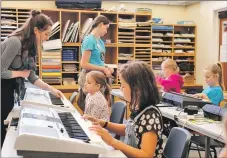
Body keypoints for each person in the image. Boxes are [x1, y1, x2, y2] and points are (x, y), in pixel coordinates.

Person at [1, 10, 63, 146]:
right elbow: (1, 72)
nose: (47, 38)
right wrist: (20, 74)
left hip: (8, 90)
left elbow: (32, 76)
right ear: (36, 30)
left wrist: (51, 89)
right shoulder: (15, 42)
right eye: (46, 34)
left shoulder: (30, 48)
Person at [84, 62, 164, 158]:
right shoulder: (139, 108)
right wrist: (103, 123)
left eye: (123, 85)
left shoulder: (150, 115)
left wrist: (112, 141)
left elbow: (146, 155)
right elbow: (128, 129)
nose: (120, 88)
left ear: (137, 88)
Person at [78, 15, 114, 111]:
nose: (106, 31)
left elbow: (98, 61)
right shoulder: (89, 40)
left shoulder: (100, 42)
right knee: (94, 110)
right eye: (106, 28)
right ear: (101, 24)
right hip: (91, 79)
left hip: (100, 78)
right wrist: (102, 69)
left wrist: (106, 67)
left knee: (102, 109)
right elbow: (84, 64)